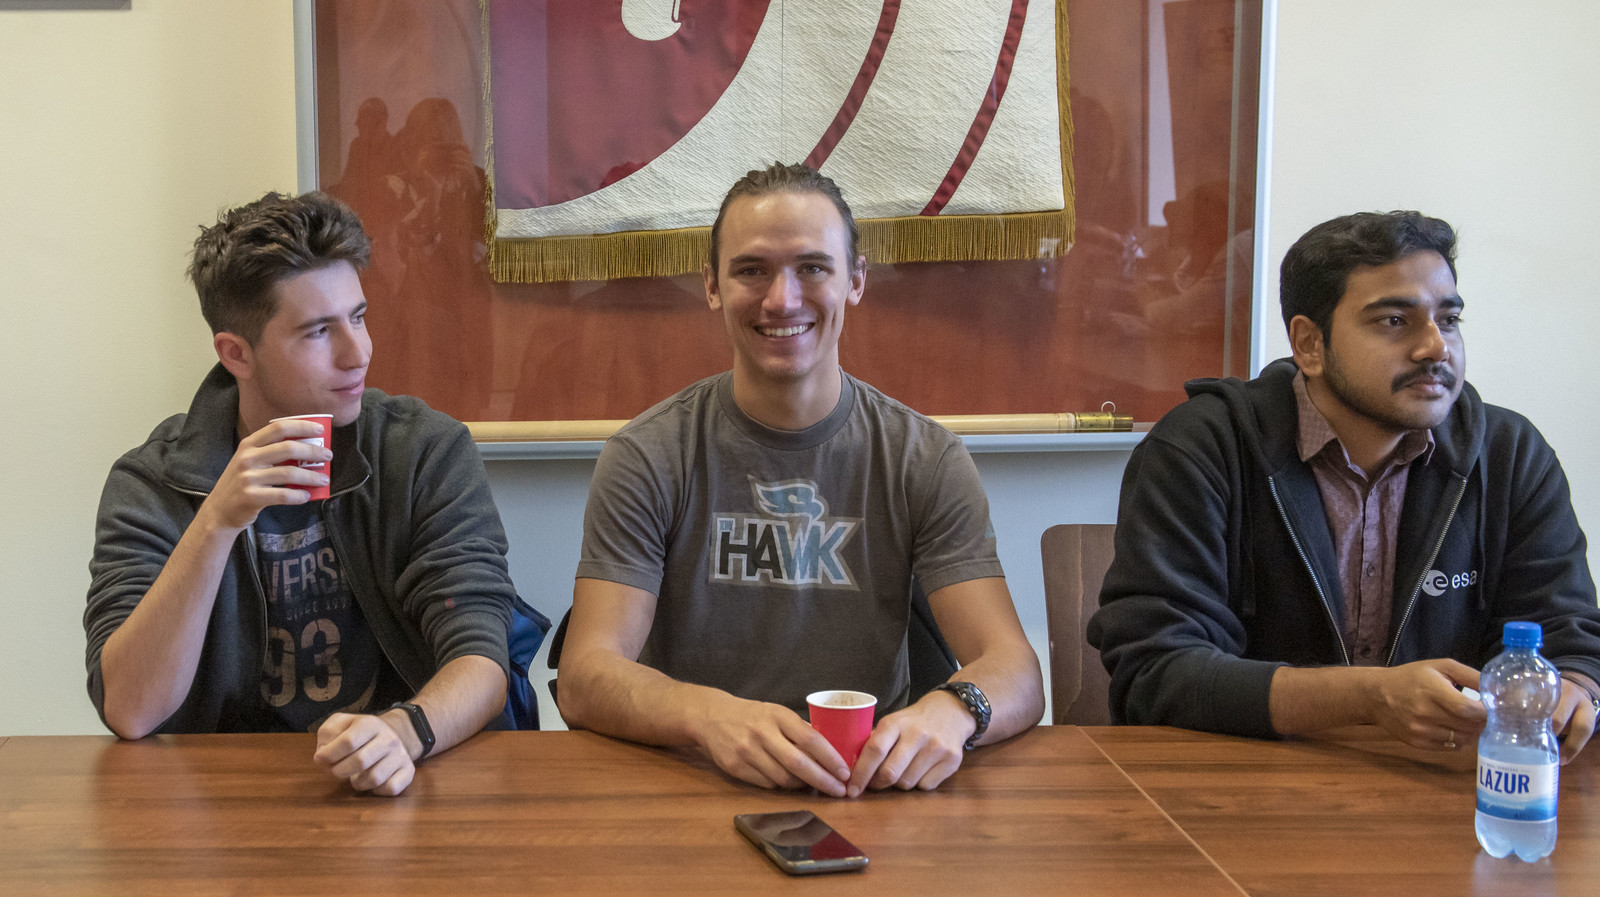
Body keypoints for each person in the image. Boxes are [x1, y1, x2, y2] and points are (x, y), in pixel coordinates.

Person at [558, 162, 1044, 798]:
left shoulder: (924, 458)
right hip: (692, 781)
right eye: (751, 270)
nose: (781, 299)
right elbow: (586, 675)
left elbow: (1015, 669)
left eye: (812, 268)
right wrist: (710, 716)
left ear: (856, 281)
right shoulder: (648, 455)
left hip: (869, 787)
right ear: (711, 285)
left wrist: (956, 710)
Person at [1088, 210, 1600, 761]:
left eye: (1448, 319)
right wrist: (1369, 698)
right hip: (1240, 783)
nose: (1436, 347)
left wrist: (1575, 685)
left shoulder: (1509, 454)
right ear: (1309, 344)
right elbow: (1156, 671)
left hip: (1447, 784)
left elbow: (1566, 635)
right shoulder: (1204, 447)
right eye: (1395, 321)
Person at [85, 191, 519, 795]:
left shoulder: (422, 451)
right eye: (318, 332)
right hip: (215, 796)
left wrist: (403, 731)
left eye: (359, 317)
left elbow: (483, 659)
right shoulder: (151, 482)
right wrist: (215, 524)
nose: (358, 353)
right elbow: (130, 710)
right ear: (236, 354)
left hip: (401, 783)